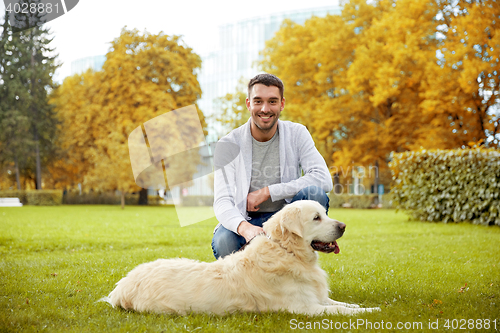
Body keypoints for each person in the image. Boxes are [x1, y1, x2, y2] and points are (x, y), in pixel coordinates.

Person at [212, 73, 333, 259]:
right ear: (248, 104)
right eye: (258, 101)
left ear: (282, 104)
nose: (265, 109)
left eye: (272, 101)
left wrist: (269, 191)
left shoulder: (297, 133)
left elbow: (323, 179)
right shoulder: (228, 145)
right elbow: (222, 201)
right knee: (224, 242)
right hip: (247, 219)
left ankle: (298, 262)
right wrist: (246, 229)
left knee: (314, 194)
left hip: (286, 217)